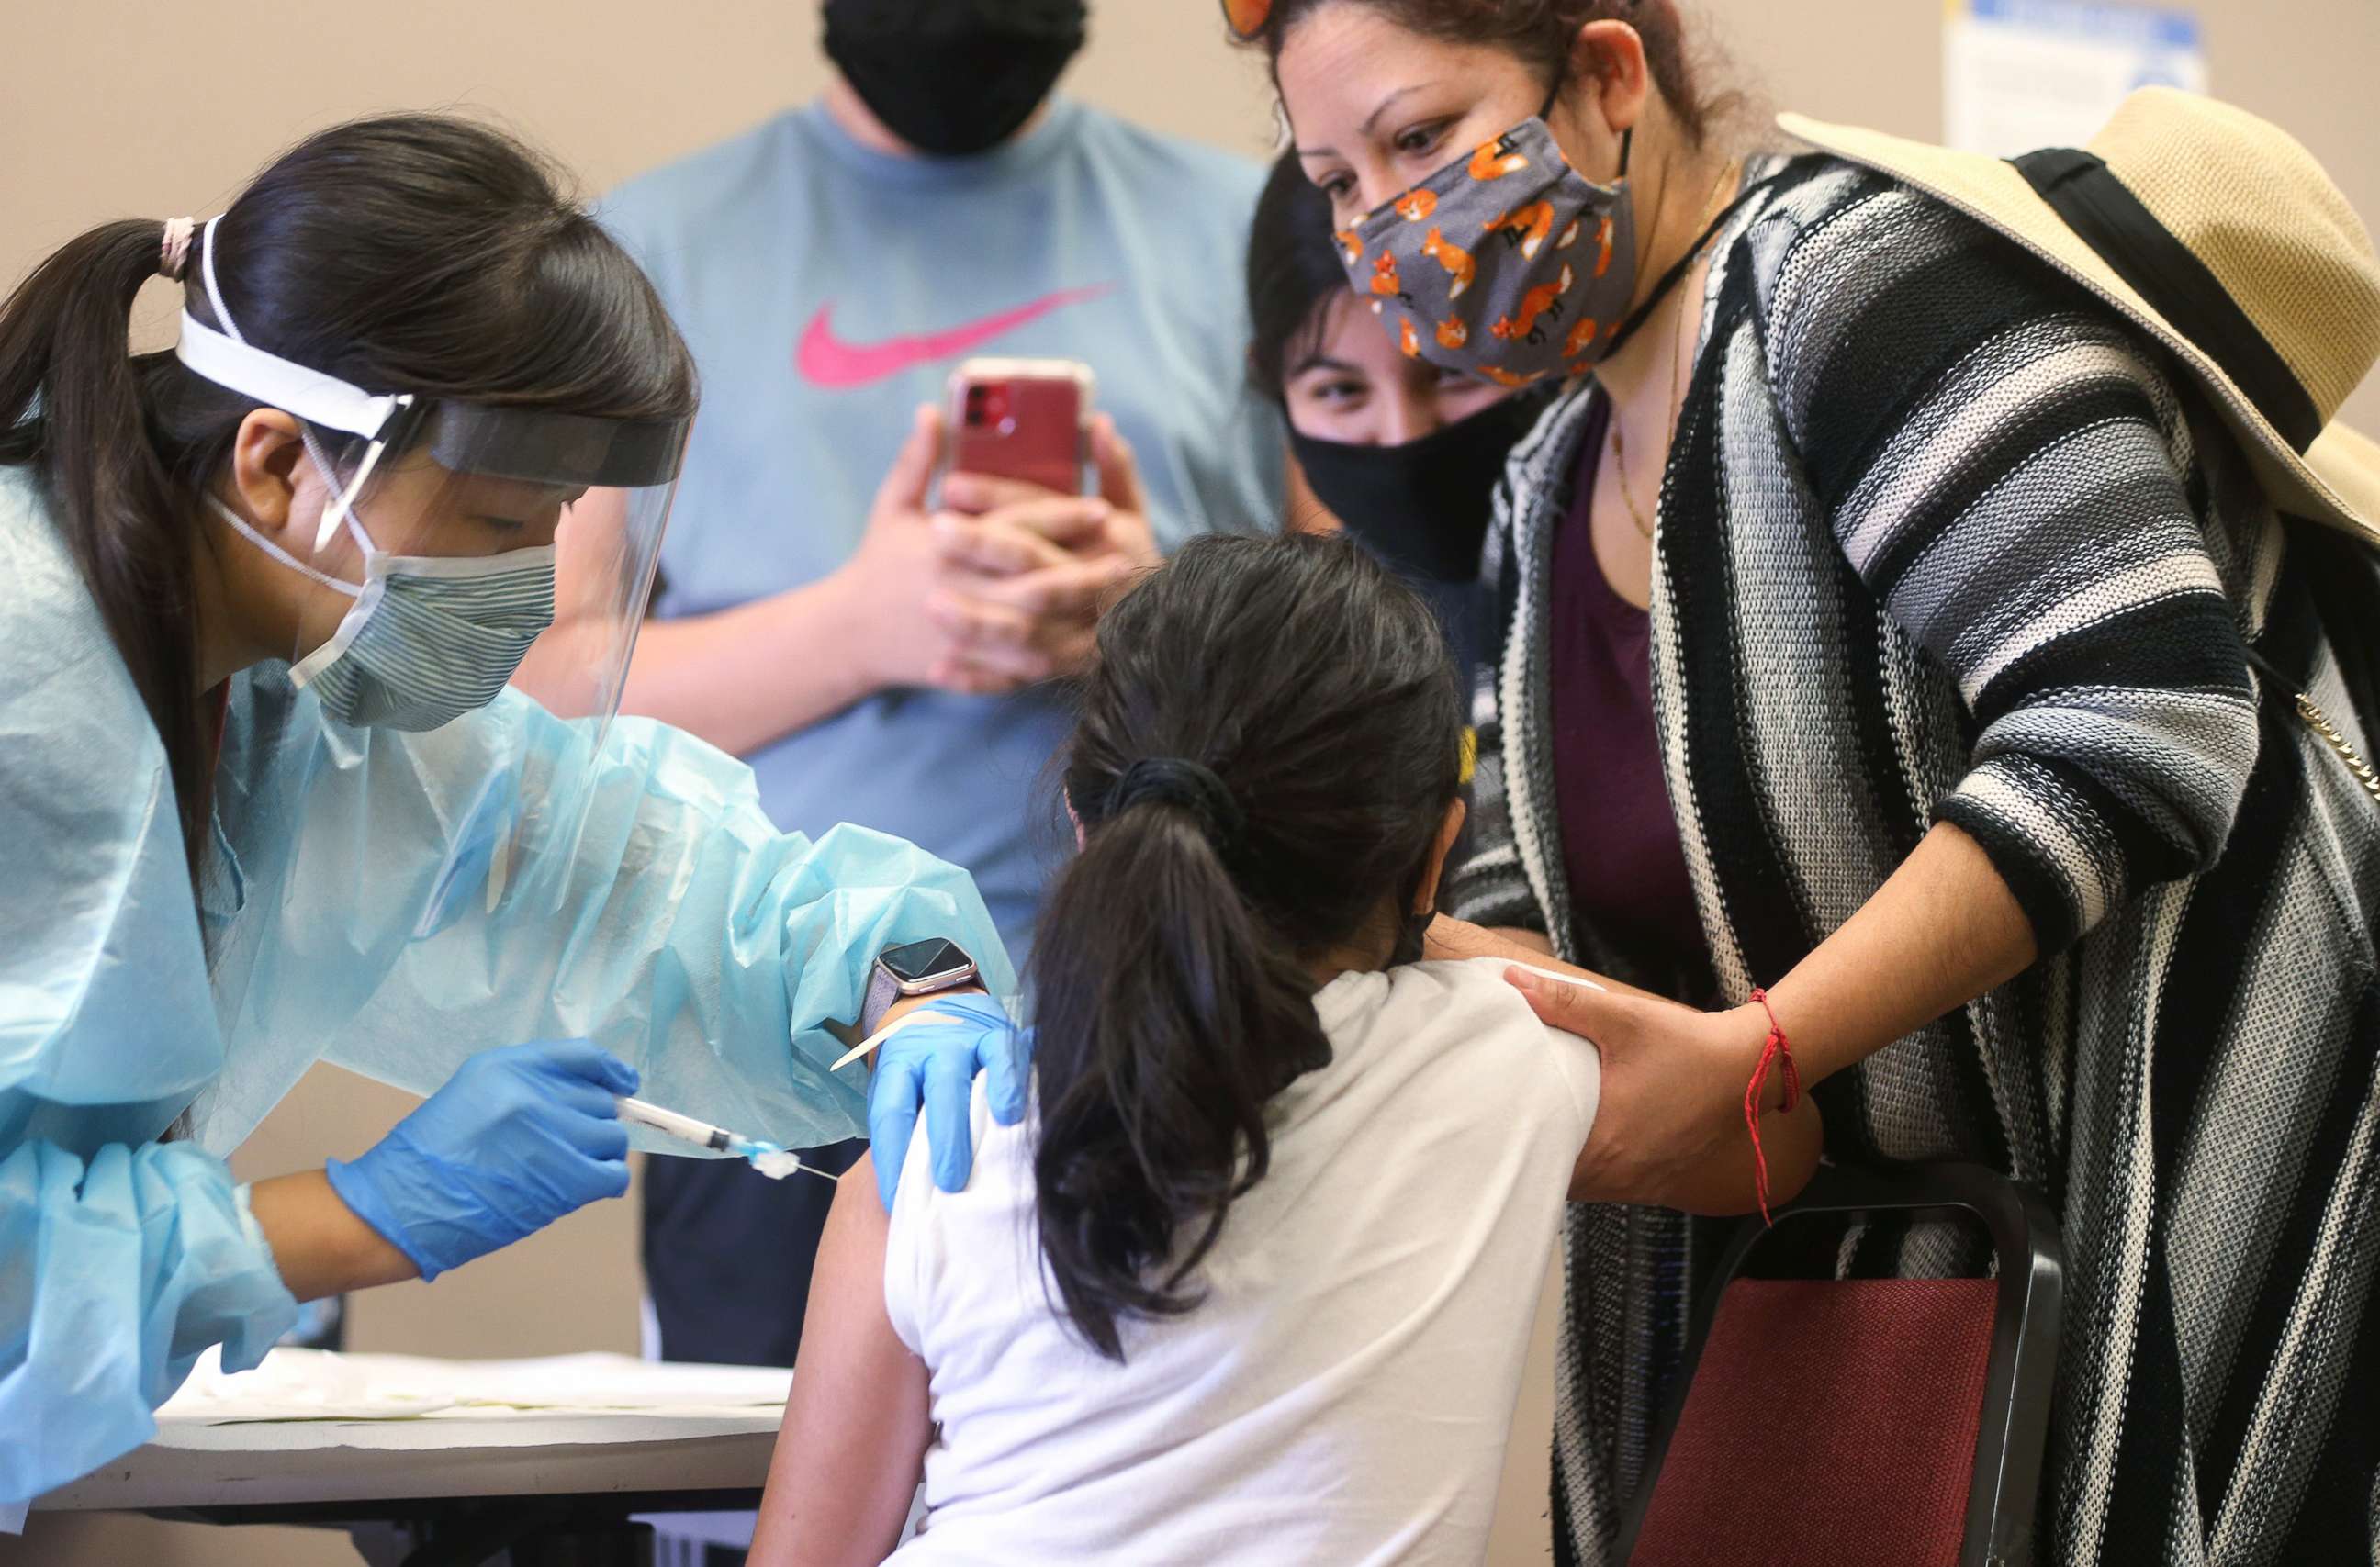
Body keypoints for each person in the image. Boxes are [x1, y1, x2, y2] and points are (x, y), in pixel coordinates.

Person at [1241, 1, 2380, 1561]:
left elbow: (2133, 710)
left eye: (1422, 139)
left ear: (1606, 75)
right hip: (1835, 1317)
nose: (1382, 220)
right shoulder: (1544, 473)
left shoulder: (1860, 287)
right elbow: (1514, 892)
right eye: (1334, 179)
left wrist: (1758, 1051)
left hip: (2129, 1236)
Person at [0, 114, 1026, 1517]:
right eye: (494, 527)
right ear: (278, 461)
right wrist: (362, 1213)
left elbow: (633, 881)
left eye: (554, 524)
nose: (532, 589)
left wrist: (910, 983)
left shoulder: (302, 701)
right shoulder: (26, 679)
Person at [738, 532, 1817, 1566]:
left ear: (1083, 824)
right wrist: (1444, 930)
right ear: (1435, 845)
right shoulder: (1498, 1057)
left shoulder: (937, 1141)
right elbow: (1772, 1130)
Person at [583, 0, 1285, 1526]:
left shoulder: (1258, 234)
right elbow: (540, 692)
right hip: (780, 1069)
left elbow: (1363, 656)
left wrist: (1151, 620)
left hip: (1171, 1038)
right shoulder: (645, 256)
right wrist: (860, 625)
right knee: (764, 1518)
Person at [1245, 149, 1555, 673]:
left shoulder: (1641, 592)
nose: (1402, 436)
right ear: (1271, 381)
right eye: (1341, 391)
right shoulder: (1297, 670)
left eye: (1452, 370)